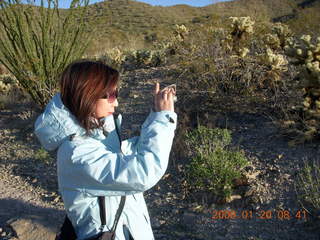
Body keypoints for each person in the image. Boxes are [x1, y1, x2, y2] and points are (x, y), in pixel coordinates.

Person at [34, 60, 177, 240]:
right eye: (110, 95)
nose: (115, 103)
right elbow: (142, 172)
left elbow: (134, 152)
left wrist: (157, 115)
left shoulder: (95, 137)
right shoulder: (76, 153)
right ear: (87, 95)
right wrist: (164, 119)